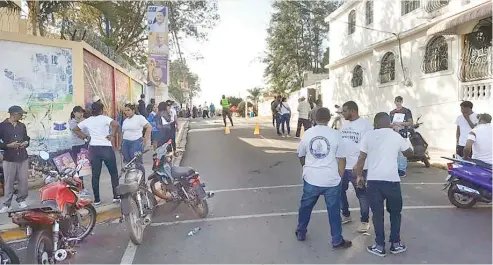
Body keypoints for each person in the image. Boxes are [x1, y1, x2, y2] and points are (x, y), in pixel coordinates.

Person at [354, 112, 413, 257]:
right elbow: (409, 153)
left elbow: (361, 159)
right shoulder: (395, 136)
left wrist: (360, 176)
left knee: (377, 214)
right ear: (389, 123)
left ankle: (379, 246)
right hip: (392, 181)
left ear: (375, 124)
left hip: (374, 182)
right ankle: (396, 244)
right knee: (395, 213)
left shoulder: (368, 136)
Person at [295, 107, 352, 249]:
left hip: (311, 179)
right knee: (334, 211)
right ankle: (337, 240)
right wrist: (340, 174)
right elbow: (342, 158)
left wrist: (306, 167)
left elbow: (301, 155)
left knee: (305, 207)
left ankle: (301, 232)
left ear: (314, 118)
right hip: (331, 180)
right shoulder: (336, 134)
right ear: (328, 119)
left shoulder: (308, 133)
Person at [73, 103, 120, 205]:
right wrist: (112, 135)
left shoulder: (88, 120)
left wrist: (85, 137)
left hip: (94, 149)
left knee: (95, 175)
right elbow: (116, 124)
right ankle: (116, 197)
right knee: (113, 173)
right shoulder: (105, 118)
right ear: (101, 110)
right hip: (106, 148)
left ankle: (97, 200)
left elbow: (75, 129)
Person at [339, 101, 373, 232]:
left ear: (353, 111)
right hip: (343, 166)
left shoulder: (365, 125)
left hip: (358, 167)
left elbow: (367, 147)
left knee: (362, 194)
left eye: (345, 111)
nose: (343, 113)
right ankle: (346, 215)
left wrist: (358, 165)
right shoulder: (345, 125)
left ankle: (365, 221)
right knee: (339, 191)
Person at [0, 106, 30, 213]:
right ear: (14, 114)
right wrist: (8, 145)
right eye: (20, 114)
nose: (22, 116)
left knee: (23, 180)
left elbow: (27, 138)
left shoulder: (22, 126)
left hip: (22, 156)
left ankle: (21, 199)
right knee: (9, 181)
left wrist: (26, 143)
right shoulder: (2, 126)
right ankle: (7, 204)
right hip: (9, 158)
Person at [120, 103, 152, 176]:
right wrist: (120, 144)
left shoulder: (139, 118)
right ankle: (130, 178)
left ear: (133, 111)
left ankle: (142, 181)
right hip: (125, 143)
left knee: (137, 162)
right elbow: (122, 132)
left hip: (136, 142)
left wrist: (145, 140)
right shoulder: (125, 121)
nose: (126, 112)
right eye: (125, 110)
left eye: (128, 110)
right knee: (128, 162)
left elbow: (149, 127)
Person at [389, 96, 413, 178]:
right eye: (396, 101)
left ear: (402, 101)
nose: (398, 103)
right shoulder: (392, 112)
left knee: (402, 153)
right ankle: (395, 169)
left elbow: (410, 122)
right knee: (394, 152)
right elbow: (389, 123)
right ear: (394, 102)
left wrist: (401, 123)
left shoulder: (406, 111)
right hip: (394, 134)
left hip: (403, 134)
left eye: (399, 101)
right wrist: (393, 125)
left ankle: (402, 170)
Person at [69, 106, 90, 192]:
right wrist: (86, 136)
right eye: (79, 112)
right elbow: (79, 132)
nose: (81, 114)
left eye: (82, 112)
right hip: (76, 146)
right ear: (74, 113)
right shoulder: (72, 122)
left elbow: (88, 131)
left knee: (83, 168)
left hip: (83, 145)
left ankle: (81, 187)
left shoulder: (83, 121)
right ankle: (79, 188)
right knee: (78, 168)